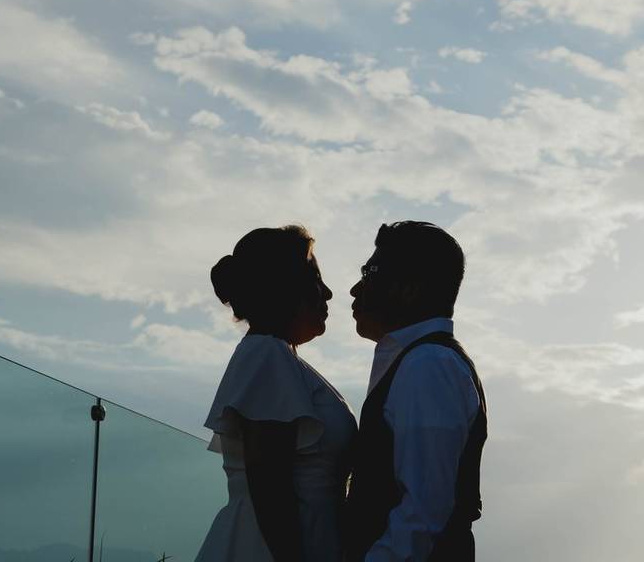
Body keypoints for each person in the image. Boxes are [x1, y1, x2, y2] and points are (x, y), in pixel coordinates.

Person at [195, 225, 357, 562]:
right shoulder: (268, 356)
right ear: (287, 289)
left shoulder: (278, 359)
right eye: (316, 280)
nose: (327, 293)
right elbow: (270, 486)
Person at [344, 221, 488, 562]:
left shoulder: (429, 364)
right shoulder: (422, 361)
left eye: (370, 273)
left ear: (410, 289)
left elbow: (424, 511)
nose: (354, 289)